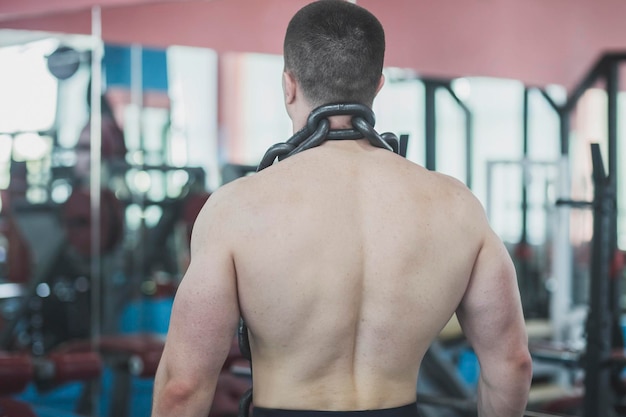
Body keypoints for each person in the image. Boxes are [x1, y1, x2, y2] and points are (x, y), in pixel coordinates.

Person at [151, 1, 532, 417]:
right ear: (378, 85)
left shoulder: (235, 210)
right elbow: (512, 363)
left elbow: (184, 386)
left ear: (289, 86)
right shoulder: (458, 207)